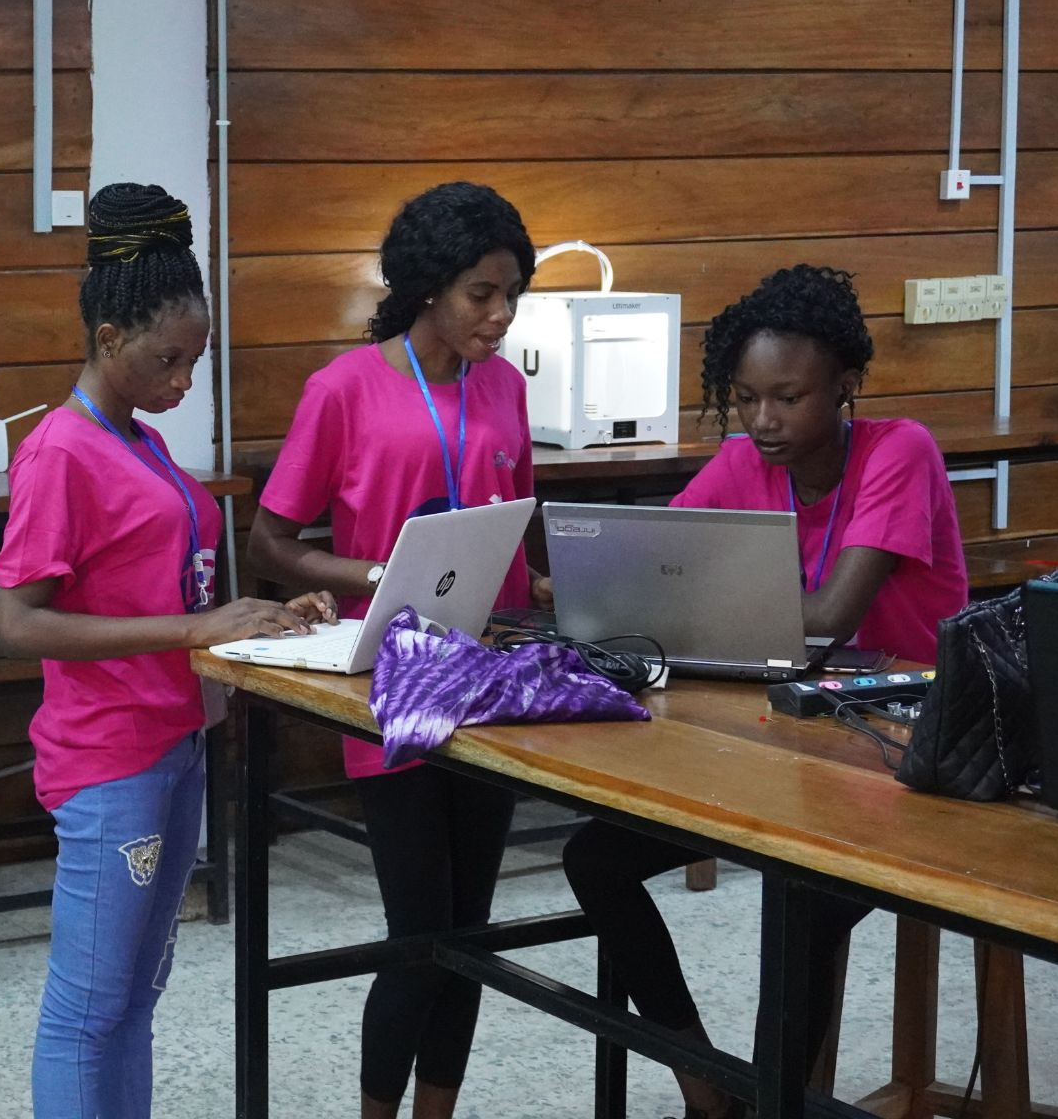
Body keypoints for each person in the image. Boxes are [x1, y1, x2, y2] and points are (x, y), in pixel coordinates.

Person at [559, 264, 970, 1119]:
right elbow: (653, 568)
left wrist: (704, 605)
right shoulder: (744, 462)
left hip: (904, 750)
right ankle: (703, 1080)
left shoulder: (900, 452)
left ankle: (775, 1103)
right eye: (744, 398)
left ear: (845, 386)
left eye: (788, 397)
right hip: (786, 741)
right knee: (594, 857)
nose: (763, 421)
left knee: (805, 899)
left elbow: (827, 618)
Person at [0, 183, 335, 1118]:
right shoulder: (62, 450)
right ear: (108, 339)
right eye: (167, 360)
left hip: (172, 743)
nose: (184, 382)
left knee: (133, 1003)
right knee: (88, 1010)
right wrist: (195, 630)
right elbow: (17, 623)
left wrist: (261, 616)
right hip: (111, 758)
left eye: (196, 360)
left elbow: (166, 592)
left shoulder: (136, 444)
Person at [246, 182, 546, 1119]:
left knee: (472, 930)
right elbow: (270, 542)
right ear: (427, 289)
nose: (498, 316)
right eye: (480, 295)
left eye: (511, 296)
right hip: (392, 680)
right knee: (420, 931)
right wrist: (374, 573)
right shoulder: (343, 388)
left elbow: (519, 526)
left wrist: (555, 581)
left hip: (489, 675)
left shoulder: (505, 385)